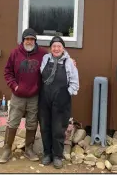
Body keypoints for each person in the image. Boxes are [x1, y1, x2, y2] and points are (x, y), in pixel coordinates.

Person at [0, 28, 47, 164]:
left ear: (35, 41)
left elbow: (55, 58)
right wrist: (14, 86)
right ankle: (7, 149)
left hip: (34, 96)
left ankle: (29, 149)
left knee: (32, 123)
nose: (29, 41)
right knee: (13, 121)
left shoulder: (42, 54)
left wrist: (69, 60)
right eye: (27, 39)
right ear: (23, 40)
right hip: (18, 95)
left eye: (32, 39)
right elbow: (7, 72)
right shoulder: (15, 53)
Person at [39, 36, 79, 169]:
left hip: (62, 101)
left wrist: (66, 94)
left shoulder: (69, 62)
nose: (56, 48)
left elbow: (75, 83)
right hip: (45, 98)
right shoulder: (46, 59)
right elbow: (40, 74)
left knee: (58, 128)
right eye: (54, 46)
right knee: (45, 127)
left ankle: (57, 156)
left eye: (59, 46)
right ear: (51, 48)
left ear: (63, 48)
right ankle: (47, 154)